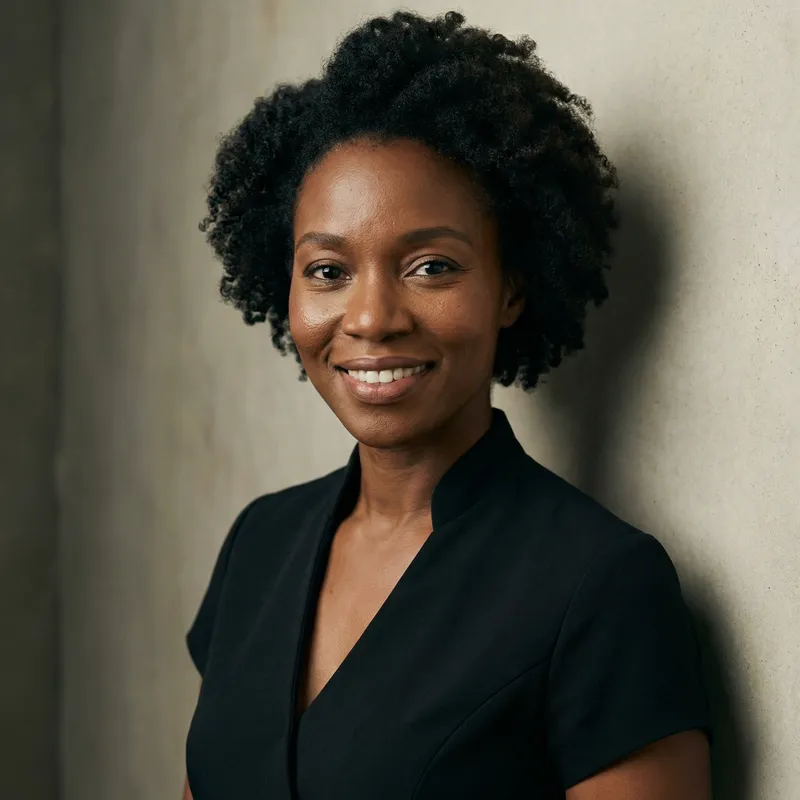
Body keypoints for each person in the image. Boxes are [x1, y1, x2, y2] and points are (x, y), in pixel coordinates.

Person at [182, 10, 713, 799]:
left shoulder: (602, 587)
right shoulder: (259, 544)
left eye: (431, 266)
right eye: (328, 271)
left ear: (512, 289)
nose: (371, 318)